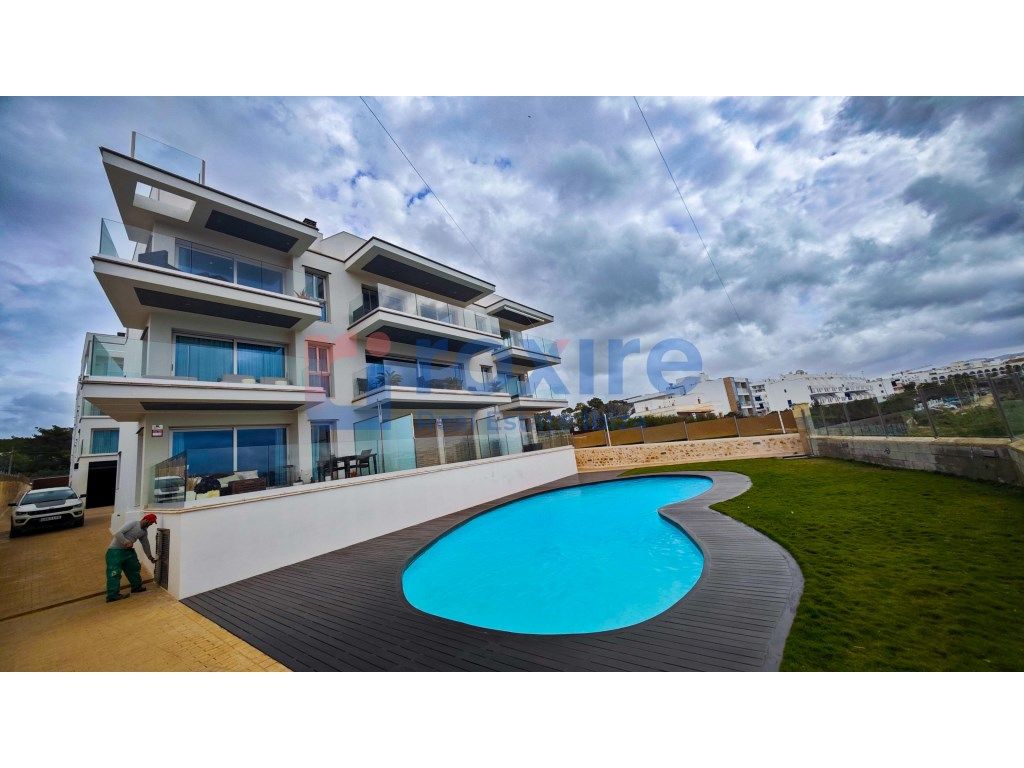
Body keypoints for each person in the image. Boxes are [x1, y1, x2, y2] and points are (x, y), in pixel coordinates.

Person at [106, 513, 158, 603]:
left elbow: (146, 544)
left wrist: (150, 557)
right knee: (114, 572)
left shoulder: (144, 532)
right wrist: (126, 542)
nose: (151, 524)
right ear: (146, 520)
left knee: (134, 568)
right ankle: (112, 595)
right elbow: (117, 533)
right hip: (115, 551)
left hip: (128, 552)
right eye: (151, 522)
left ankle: (137, 587)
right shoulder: (133, 524)